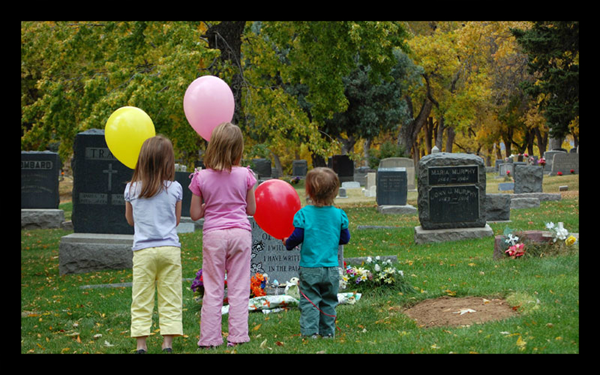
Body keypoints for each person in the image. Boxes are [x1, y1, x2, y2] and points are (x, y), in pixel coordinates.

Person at [189, 122, 257, 348]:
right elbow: (251, 210)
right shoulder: (246, 175)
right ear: (239, 148)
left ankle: (209, 339)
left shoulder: (200, 178)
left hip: (214, 235)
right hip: (240, 234)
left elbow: (195, 214)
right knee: (238, 287)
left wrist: (211, 204)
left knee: (213, 287)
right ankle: (237, 337)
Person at [124, 135, 183, 354]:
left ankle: (141, 345)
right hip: (169, 249)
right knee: (171, 295)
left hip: (143, 251)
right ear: (168, 161)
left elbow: (131, 221)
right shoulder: (175, 188)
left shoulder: (131, 189)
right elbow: (175, 221)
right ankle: (167, 343)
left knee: (141, 297)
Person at [282, 167, 350, 339]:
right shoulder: (339, 215)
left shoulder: (304, 214)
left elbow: (297, 236)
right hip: (331, 268)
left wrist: (287, 243)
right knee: (329, 300)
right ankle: (328, 333)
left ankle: (310, 333)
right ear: (335, 191)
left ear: (309, 191)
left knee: (310, 301)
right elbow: (345, 238)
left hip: (310, 267)